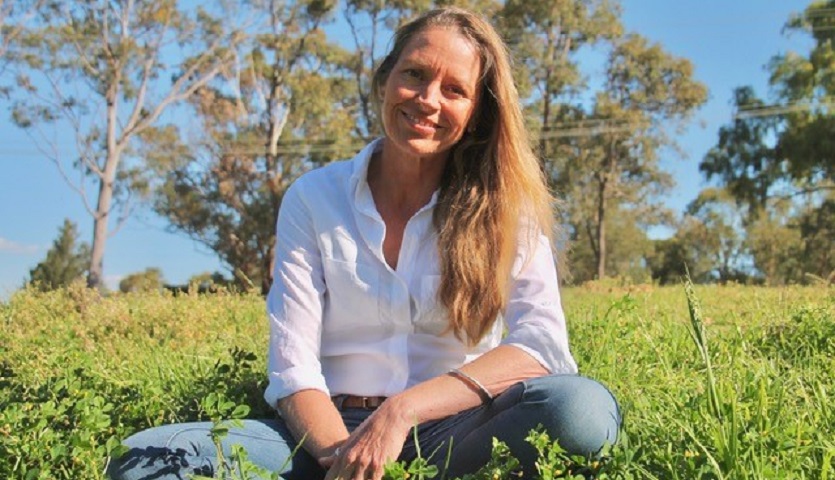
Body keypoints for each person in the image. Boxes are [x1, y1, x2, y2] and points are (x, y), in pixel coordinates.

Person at [107, 7, 620, 480]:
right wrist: (345, 459)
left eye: (454, 90)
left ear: (476, 115)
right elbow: (293, 367)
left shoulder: (506, 208)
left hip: (456, 430)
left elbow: (540, 346)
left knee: (580, 412)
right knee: (148, 460)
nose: (427, 99)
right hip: (326, 434)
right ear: (384, 80)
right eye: (415, 74)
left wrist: (402, 411)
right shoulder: (314, 198)